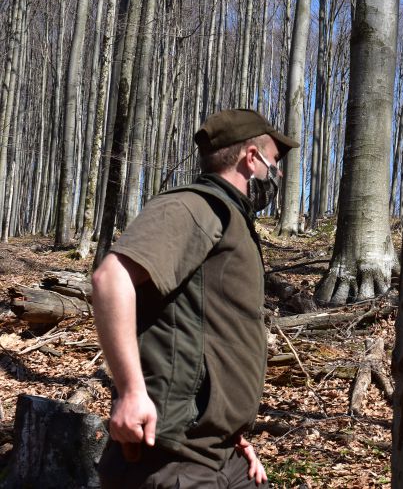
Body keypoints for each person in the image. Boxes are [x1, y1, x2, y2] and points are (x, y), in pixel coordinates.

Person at [93, 108, 298, 488]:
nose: (278, 173)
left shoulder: (229, 218)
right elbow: (110, 278)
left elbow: (209, 328)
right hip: (172, 458)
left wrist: (232, 434)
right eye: (274, 161)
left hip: (220, 453)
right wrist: (131, 392)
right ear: (251, 158)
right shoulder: (195, 206)